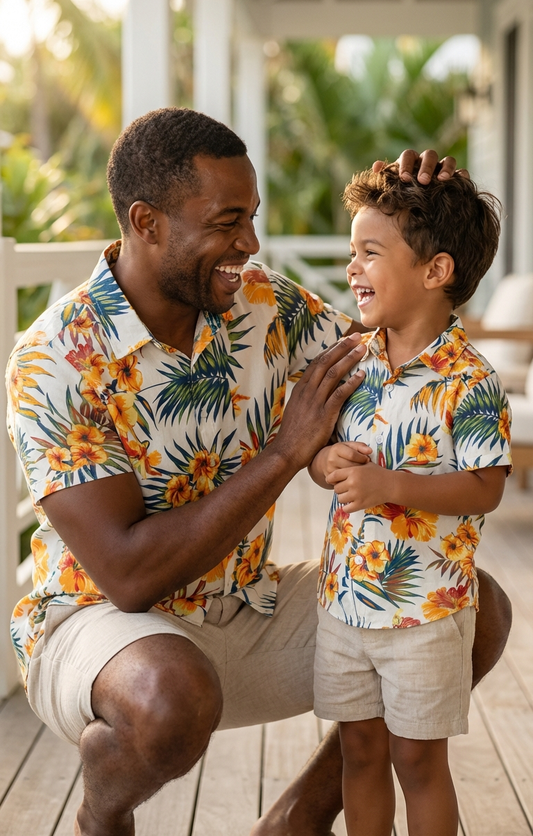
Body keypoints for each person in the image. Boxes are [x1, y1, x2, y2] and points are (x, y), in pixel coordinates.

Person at [5, 108, 511, 836]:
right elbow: (128, 576)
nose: (249, 243)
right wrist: (285, 453)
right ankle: (100, 811)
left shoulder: (261, 302)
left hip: (246, 603)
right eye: (227, 222)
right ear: (147, 223)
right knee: (170, 695)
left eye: (252, 217)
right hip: (103, 629)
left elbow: (392, 348)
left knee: (469, 610)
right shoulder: (53, 358)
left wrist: (431, 221)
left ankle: (297, 819)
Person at [309, 163, 512, 836]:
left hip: (426, 612)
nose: (352, 268)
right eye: (352, 251)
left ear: (435, 270)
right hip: (344, 602)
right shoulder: (352, 359)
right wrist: (324, 462)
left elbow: (486, 486)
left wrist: (391, 485)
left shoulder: (470, 379)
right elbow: (323, 457)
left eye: (370, 252)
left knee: (418, 761)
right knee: (359, 752)